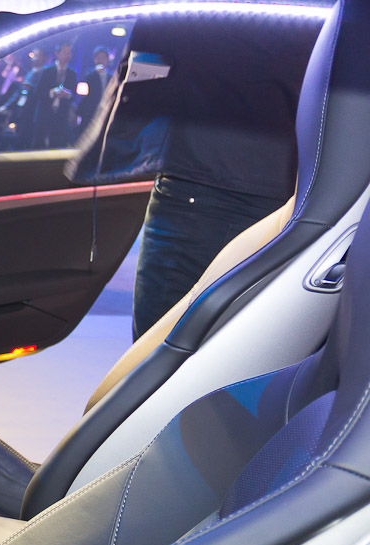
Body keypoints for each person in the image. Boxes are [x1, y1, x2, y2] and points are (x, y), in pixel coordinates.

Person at [69, 17, 315, 340]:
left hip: (200, 183)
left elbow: (158, 46)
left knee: (160, 350)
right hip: (284, 189)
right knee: (236, 348)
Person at [29, 41, 77, 149]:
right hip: (44, 113)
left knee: (56, 144)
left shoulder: (72, 73)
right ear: (57, 53)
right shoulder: (47, 71)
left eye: (69, 53)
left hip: (61, 115)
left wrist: (67, 94)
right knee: (39, 143)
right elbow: (37, 93)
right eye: (65, 52)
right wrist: (51, 93)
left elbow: (74, 96)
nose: (68, 55)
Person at [75, 46, 111, 139]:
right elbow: (82, 92)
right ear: (95, 60)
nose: (101, 60)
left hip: (106, 112)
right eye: (98, 58)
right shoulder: (89, 75)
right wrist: (95, 72)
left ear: (108, 60)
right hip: (90, 112)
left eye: (103, 58)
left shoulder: (111, 77)